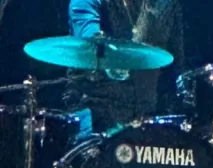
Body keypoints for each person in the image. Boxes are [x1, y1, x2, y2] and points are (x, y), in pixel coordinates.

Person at [64, 0, 185, 135]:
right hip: (96, 116)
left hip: (146, 119)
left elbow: (177, 66)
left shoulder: (165, 4)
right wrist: (108, 60)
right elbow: (89, 42)